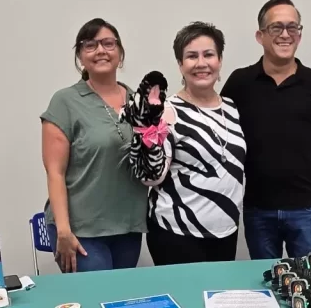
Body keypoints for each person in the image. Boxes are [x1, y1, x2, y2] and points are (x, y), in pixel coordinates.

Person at [220, 0, 311, 260]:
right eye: (276, 27)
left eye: (293, 27)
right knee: (266, 284)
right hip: (258, 209)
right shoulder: (240, 83)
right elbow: (221, 137)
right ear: (260, 35)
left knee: (310, 286)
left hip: (307, 210)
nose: (285, 34)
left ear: (299, 34)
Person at [40, 18, 147, 272]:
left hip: (128, 226)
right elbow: (55, 171)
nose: (101, 50)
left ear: (120, 53)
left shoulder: (138, 100)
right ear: (80, 56)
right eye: (90, 45)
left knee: (120, 303)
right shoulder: (65, 101)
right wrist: (63, 231)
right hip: (81, 229)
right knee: (94, 303)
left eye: (108, 43)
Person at [144, 22, 245, 265]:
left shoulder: (231, 108)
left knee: (217, 302)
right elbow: (151, 176)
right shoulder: (166, 111)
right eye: (191, 56)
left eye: (208, 55)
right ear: (180, 64)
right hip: (176, 233)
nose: (201, 63)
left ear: (219, 60)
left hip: (225, 232)